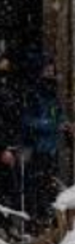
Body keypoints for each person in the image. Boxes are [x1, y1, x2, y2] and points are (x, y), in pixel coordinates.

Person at [21, 58, 64, 229]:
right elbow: (28, 121)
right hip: (37, 149)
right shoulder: (33, 94)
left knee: (50, 187)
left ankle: (47, 223)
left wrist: (65, 124)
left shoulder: (52, 94)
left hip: (51, 149)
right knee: (36, 190)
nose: (51, 75)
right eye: (47, 71)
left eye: (52, 72)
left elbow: (57, 115)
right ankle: (35, 224)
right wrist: (52, 125)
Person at [0, 53, 23, 230]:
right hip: (4, 148)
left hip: (10, 144)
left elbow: (12, 118)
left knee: (12, 191)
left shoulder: (10, 88)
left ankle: (8, 228)